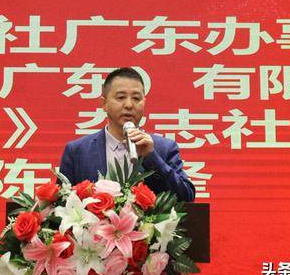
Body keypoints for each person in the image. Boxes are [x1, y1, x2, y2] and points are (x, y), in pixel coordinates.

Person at [59, 67, 195, 202]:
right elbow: (60, 204)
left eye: (136, 98)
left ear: (144, 103)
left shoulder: (164, 148)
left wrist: (151, 157)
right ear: (104, 103)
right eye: (121, 97)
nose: (129, 105)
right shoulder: (77, 151)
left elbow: (186, 197)